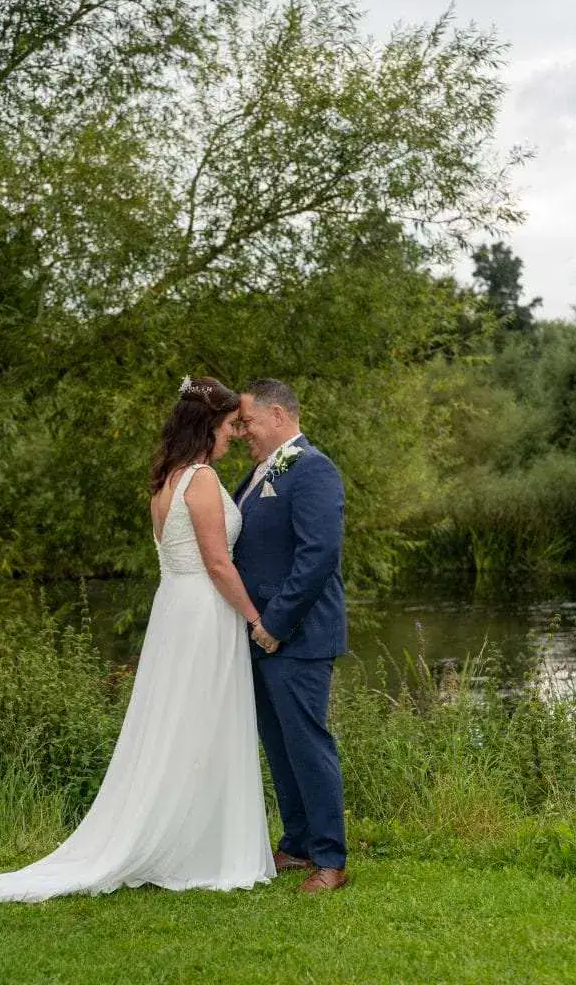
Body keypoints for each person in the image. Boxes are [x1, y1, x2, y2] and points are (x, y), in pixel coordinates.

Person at [0, 376, 275, 903]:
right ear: (208, 425)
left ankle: (192, 838)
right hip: (203, 611)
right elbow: (216, 562)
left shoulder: (167, 480)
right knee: (202, 720)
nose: (234, 435)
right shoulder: (202, 480)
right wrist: (255, 617)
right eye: (230, 425)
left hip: (175, 609)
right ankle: (199, 847)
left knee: (179, 722)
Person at [235, 379, 348, 893]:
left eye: (248, 422)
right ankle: (299, 845)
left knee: (307, 743)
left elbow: (318, 556)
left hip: (296, 636)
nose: (242, 433)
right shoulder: (261, 474)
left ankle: (331, 860)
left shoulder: (313, 469)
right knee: (279, 745)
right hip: (261, 635)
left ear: (277, 415)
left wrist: (275, 624)